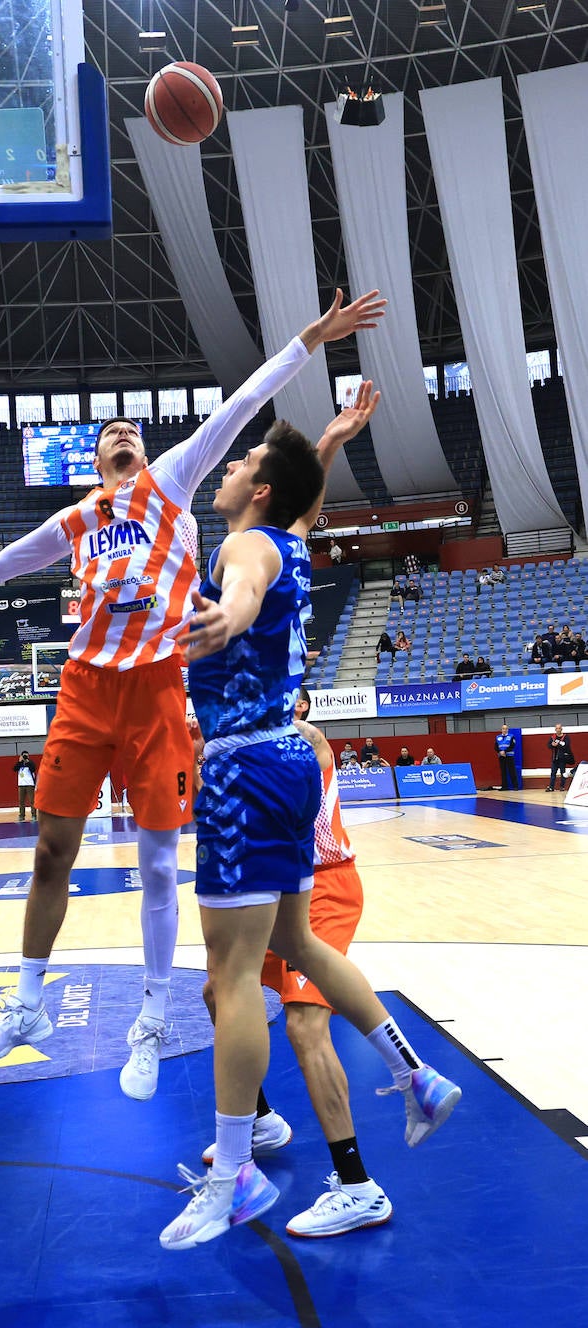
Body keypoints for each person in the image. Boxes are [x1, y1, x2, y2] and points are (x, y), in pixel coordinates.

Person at [0, 290, 390, 1100]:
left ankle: (153, 1020)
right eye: (109, 433)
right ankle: (27, 1004)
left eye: (131, 427)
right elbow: (3, 564)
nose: (123, 432)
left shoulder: (173, 478)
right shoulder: (77, 519)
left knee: (159, 862)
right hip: (86, 689)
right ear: (95, 459)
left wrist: (311, 337)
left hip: (159, 687)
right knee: (51, 850)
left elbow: (245, 401)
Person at [159, 381, 459, 1250]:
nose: (230, 466)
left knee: (232, 974)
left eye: (245, 460)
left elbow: (246, 584)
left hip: (243, 767)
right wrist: (326, 444)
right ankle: (417, 1076)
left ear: (257, 491)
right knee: (296, 942)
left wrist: (228, 618)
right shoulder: (290, 537)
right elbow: (299, 508)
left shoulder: (246, 547)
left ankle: (233, 1175)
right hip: (290, 761)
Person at [198, 685, 392, 1238]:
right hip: (277, 884)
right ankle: (260, 1122)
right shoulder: (243, 737)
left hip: (324, 887)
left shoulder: (307, 738)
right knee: (219, 990)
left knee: (305, 1026)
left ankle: (359, 1187)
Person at [548, 725, 576, 792]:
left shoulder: (566, 737)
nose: (558, 730)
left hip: (562, 759)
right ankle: (551, 787)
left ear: (561, 729)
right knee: (553, 773)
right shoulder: (552, 737)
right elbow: (549, 745)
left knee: (563, 773)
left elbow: (566, 745)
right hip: (555, 759)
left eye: (559, 728)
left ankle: (562, 787)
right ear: (555, 729)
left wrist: (557, 745)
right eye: (557, 728)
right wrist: (552, 745)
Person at [495, 723, 520, 791]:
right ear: (501, 730)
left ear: (508, 730)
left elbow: (512, 746)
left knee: (512, 771)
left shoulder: (511, 736)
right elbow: (495, 747)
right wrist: (500, 752)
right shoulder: (497, 737)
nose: (504, 730)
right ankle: (504, 787)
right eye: (503, 729)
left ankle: (515, 786)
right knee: (503, 772)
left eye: (506, 729)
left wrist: (505, 751)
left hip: (509, 756)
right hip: (501, 757)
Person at [14, 751, 37, 822]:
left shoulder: (31, 763)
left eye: (26, 756)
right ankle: (21, 816)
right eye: (24, 756)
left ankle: (34, 815)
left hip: (30, 784)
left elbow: (33, 769)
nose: (25, 757)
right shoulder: (20, 764)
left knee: (32, 801)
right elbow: (15, 769)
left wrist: (27, 762)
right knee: (21, 801)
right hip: (21, 785)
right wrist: (19, 762)